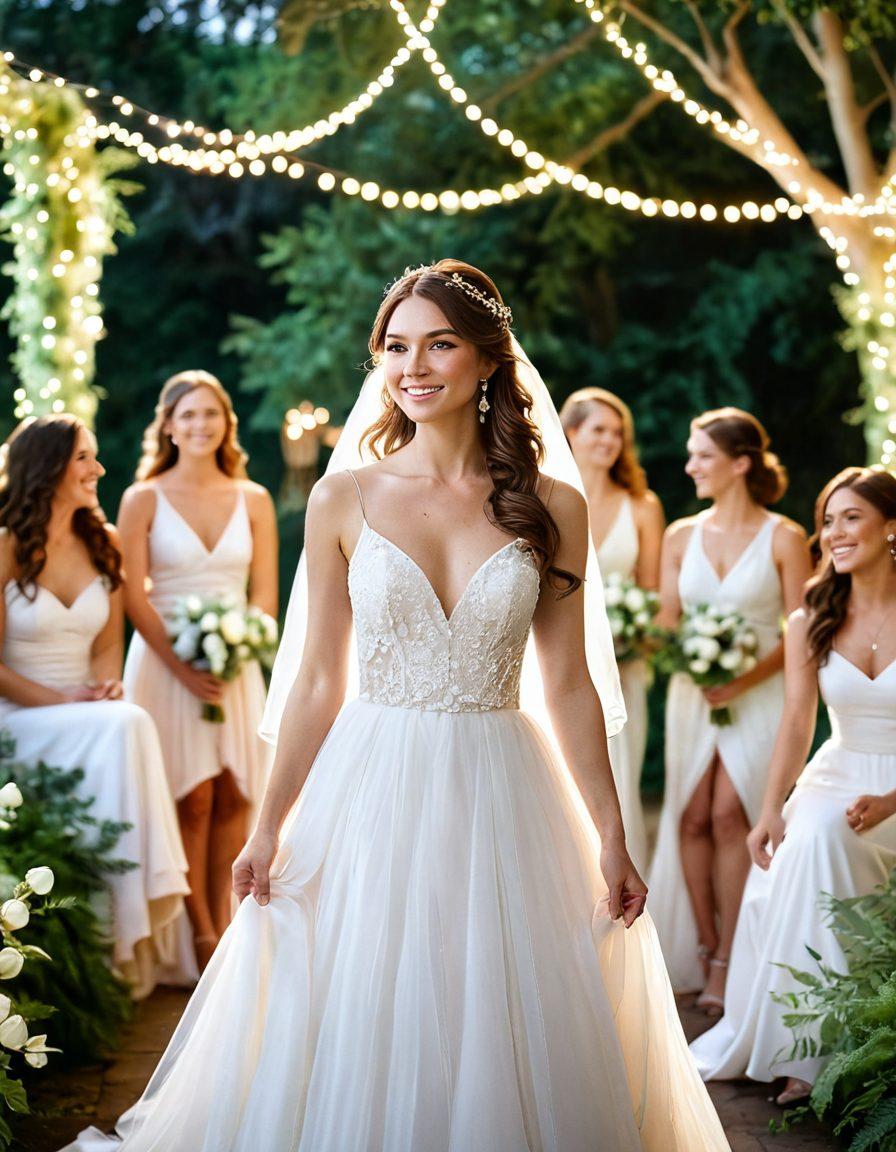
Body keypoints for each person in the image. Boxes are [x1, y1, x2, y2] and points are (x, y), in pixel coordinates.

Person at [63, 261, 729, 1152]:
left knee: (499, 1000)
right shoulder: (344, 497)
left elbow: (567, 682)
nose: (413, 366)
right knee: (367, 997)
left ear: (490, 360)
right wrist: (268, 826)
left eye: (440, 344)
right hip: (371, 782)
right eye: (396, 347)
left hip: (506, 783)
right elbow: (316, 681)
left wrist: (610, 832)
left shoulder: (553, 504)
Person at [690, 467, 896, 1104]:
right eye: (827, 520)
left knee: (830, 834)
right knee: (810, 838)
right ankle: (807, 1050)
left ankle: (833, 1046)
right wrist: (770, 810)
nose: (833, 532)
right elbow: (797, 721)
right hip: (837, 771)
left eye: (851, 518)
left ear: (892, 527)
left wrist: (892, 801)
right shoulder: (810, 619)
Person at [0, 416, 189, 999]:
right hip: (18, 711)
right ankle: (126, 923)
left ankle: (124, 930)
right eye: (85, 458)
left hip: (86, 711)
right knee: (126, 724)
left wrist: (105, 686)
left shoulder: (101, 540)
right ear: (49, 465)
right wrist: (66, 700)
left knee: (125, 717)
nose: (97, 470)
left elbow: (108, 645)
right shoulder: (6, 541)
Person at [648, 409, 812, 1008]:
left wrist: (745, 677)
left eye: (702, 456)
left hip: (761, 695)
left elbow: (803, 631)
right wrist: (679, 653)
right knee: (690, 816)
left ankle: (731, 961)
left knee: (728, 817)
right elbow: (669, 621)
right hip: (695, 695)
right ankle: (705, 947)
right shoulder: (680, 536)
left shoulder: (786, 537)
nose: (690, 466)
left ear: (740, 463)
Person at [117, 371, 277, 972]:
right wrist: (184, 670)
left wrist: (240, 648)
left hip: (234, 669)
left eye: (211, 414)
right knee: (191, 799)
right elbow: (133, 596)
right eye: (187, 415)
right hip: (164, 665)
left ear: (226, 423)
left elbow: (263, 594)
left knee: (236, 795)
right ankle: (198, 935)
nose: (200, 425)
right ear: (167, 425)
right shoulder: (143, 498)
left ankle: (233, 927)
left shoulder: (254, 498)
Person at [561, 388, 664, 872]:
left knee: (619, 780)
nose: (610, 441)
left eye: (618, 432)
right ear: (571, 431)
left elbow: (653, 596)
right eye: (599, 429)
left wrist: (630, 637)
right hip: (556, 665)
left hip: (626, 670)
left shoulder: (642, 507)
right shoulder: (543, 495)